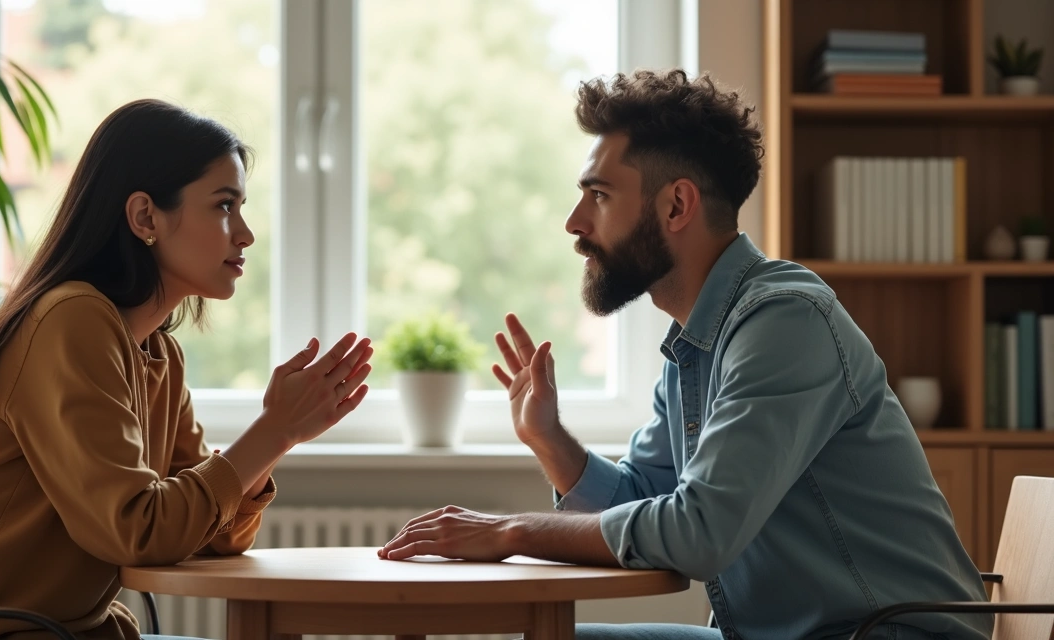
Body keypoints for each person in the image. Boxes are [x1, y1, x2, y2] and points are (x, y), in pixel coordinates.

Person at [378, 69, 991, 640]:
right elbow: (645, 496)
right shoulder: (698, 341)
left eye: (598, 195)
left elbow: (697, 533)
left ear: (676, 205)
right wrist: (550, 441)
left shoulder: (784, 321)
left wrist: (511, 531)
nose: (573, 222)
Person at [0, 99, 372, 640]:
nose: (245, 234)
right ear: (146, 216)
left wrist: (280, 435)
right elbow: (137, 531)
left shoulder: (158, 356)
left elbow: (211, 536)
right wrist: (275, 429)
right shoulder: (70, 320)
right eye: (223, 206)